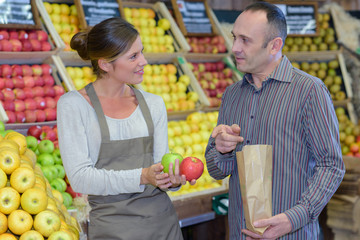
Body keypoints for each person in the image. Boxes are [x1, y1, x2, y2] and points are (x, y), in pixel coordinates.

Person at [205, 2, 345, 239]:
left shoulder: (309, 91)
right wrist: (220, 149)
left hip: (293, 234)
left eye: (245, 40)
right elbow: (217, 170)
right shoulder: (231, 95)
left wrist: (294, 218)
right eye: (234, 37)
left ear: (274, 45)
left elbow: (331, 166)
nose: (235, 47)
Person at [57, 17, 188, 240]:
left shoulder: (154, 103)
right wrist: (143, 176)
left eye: (142, 52)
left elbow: (159, 166)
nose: (144, 61)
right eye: (133, 56)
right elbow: (80, 178)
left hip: (162, 226)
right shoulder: (74, 105)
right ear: (105, 64)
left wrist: (172, 179)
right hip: (112, 230)